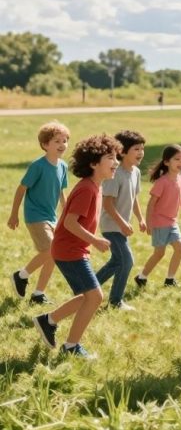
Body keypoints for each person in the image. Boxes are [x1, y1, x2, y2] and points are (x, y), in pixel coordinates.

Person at [32, 133, 122, 359]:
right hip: (69, 251)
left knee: (87, 296)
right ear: (93, 163)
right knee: (95, 297)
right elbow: (70, 222)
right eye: (110, 158)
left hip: (74, 250)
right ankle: (71, 346)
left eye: (116, 157)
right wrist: (95, 240)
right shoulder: (87, 189)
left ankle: (48, 320)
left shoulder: (95, 186)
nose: (116, 163)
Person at [9, 121, 70, 305]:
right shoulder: (38, 166)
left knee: (54, 253)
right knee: (51, 249)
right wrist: (14, 214)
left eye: (65, 140)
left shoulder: (63, 166)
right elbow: (21, 189)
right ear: (45, 145)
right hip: (35, 216)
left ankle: (38, 294)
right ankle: (21, 275)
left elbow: (61, 191)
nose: (62, 144)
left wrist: (66, 215)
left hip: (52, 216)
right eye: (57, 141)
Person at [95, 129, 147, 310]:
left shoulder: (136, 172)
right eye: (136, 149)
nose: (141, 153)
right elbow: (107, 203)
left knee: (117, 262)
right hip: (111, 225)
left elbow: (134, 198)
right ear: (123, 152)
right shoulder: (114, 173)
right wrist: (122, 223)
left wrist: (140, 218)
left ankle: (86, 289)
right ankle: (116, 301)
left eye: (142, 148)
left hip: (122, 226)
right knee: (127, 261)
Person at [134, 144, 181, 288]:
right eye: (177, 159)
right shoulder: (162, 182)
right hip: (160, 223)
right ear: (167, 162)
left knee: (180, 248)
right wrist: (149, 223)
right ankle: (142, 277)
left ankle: (170, 279)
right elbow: (150, 204)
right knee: (159, 253)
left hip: (172, 222)